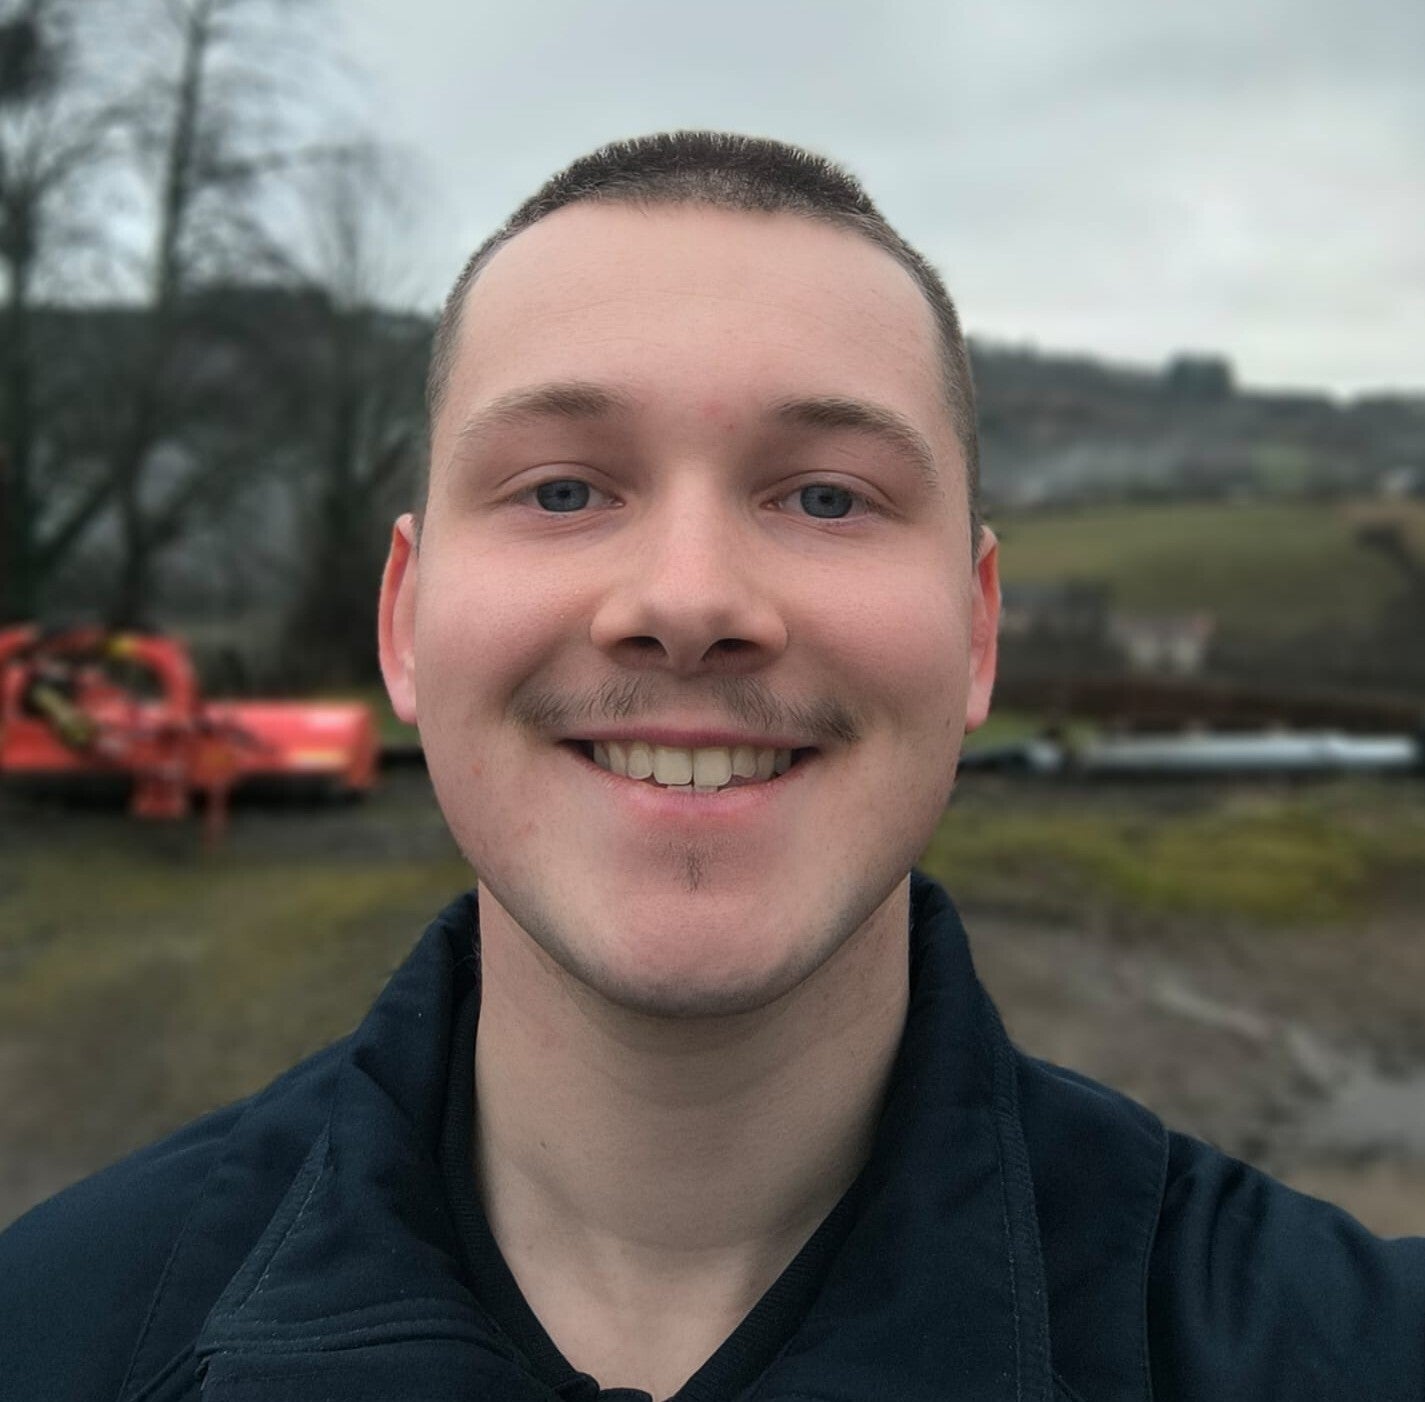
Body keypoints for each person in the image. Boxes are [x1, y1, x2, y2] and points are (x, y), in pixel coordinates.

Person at [2, 130, 1421, 1402]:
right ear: (404, 621)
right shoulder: (44, 1335)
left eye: (827, 496)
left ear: (977, 630)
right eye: (563, 488)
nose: (687, 600)